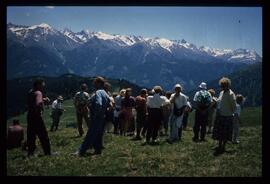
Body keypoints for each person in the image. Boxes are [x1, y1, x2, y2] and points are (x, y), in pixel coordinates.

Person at [75, 77, 111, 156]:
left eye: (95, 82)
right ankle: (98, 150)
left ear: (98, 83)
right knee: (97, 134)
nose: (93, 84)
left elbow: (98, 104)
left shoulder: (98, 92)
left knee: (90, 134)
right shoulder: (105, 92)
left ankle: (81, 151)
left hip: (97, 117)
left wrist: (95, 113)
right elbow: (110, 104)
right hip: (102, 117)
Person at [26, 78, 52, 156]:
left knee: (31, 135)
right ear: (38, 84)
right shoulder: (39, 93)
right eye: (42, 84)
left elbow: (34, 100)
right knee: (43, 135)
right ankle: (48, 152)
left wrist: (43, 100)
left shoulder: (31, 91)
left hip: (30, 115)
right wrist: (39, 111)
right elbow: (38, 103)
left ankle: (30, 153)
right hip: (37, 117)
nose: (43, 86)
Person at [212, 77, 236, 155]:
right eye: (221, 85)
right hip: (221, 114)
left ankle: (223, 146)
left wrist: (230, 112)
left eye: (223, 85)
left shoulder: (231, 94)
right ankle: (220, 145)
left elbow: (234, 106)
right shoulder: (222, 92)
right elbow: (220, 101)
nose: (222, 87)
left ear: (227, 85)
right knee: (220, 131)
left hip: (227, 115)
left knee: (225, 132)